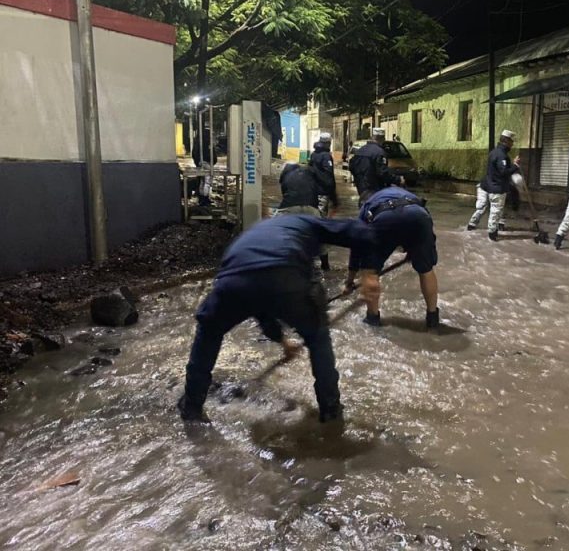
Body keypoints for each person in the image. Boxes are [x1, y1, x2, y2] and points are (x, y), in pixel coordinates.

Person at [177, 214, 376, 424]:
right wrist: (370, 275)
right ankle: (331, 411)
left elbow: (258, 302)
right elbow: (363, 232)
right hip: (287, 276)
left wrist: (282, 341)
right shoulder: (306, 222)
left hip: (232, 283)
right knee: (317, 339)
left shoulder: (252, 234)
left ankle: (192, 408)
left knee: (209, 331)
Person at [344, 187, 439, 329]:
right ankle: (433, 318)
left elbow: (357, 248)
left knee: (370, 271)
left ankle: (372, 319)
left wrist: (349, 281)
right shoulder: (398, 192)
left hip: (385, 217)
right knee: (426, 270)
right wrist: (415, 252)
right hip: (420, 215)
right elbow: (425, 231)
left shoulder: (366, 207)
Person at [276, 163, 331, 271]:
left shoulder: (285, 177)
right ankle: (325, 265)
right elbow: (325, 185)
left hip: (289, 208)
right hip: (311, 208)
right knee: (321, 236)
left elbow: (285, 193)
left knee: (276, 234)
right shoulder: (310, 173)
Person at [467, 130, 520, 240]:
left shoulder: (494, 152)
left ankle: (471, 227)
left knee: (482, 209)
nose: (512, 144)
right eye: (511, 141)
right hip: (497, 188)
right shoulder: (502, 155)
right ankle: (492, 235)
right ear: (506, 141)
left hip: (488, 186)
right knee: (495, 212)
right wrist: (515, 166)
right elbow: (503, 172)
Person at [349, 128, 404, 204]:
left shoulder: (360, 150)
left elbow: (351, 166)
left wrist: (359, 180)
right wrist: (398, 180)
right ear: (382, 138)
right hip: (374, 191)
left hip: (362, 191)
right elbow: (383, 172)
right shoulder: (379, 152)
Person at [308, 132, 339, 218]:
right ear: (328, 143)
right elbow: (329, 177)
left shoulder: (313, 154)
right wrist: (333, 196)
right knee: (320, 217)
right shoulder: (326, 156)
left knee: (313, 215)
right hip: (323, 192)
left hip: (313, 191)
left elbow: (309, 171)